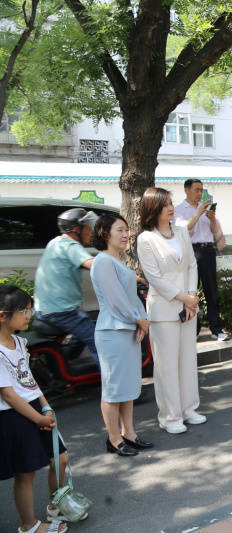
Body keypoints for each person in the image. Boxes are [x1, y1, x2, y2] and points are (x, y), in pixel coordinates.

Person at [1, 285, 70, 533]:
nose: (29, 316)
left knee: (60, 459)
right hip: (13, 415)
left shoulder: (20, 342)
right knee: (26, 471)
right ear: (2, 315)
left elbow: (28, 379)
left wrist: (46, 406)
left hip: (35, 408)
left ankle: (55, 505)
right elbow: (8, 394)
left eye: (30, 310)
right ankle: (28, 525)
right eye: (24, 311)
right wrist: (37, 418)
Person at [137, 187, 205, 434]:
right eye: (165, 204)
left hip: (187, 307)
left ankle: (189, 409)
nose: (170, 207)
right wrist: (184, 297)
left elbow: (191, 265)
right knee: (166, 365)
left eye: (170, 203)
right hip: (164, 309)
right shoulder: (146, 239)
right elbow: (154, 277)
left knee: (188, 359)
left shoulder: (180, 232)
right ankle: (170, 415)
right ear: (154, 208)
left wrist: (192, 297)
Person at [89, 214, 154, 457]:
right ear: (105, 233)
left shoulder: (117, 261)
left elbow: (131, 296)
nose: (126, 234)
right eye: (120, 230)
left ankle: (130, 433)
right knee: (113, 388)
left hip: (126, 330)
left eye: (127, 230)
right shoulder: (103, 261)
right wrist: (139, 320)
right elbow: (116, 300)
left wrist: (141, 320)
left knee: (127, 387)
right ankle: (114, 439)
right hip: (112, 331)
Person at [33, 208, 100, 364]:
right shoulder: (70, 246)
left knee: (84, 329)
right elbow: (93, 265)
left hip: (46, 310)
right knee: (100, 341)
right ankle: (116, 386)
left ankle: (64, 364)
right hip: (62, 312)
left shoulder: (56, 242)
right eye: (88, 228)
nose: (90, 231)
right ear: (76, 229)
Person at [174, 179, 229, 341]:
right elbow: (185, 228)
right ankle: (193, 329)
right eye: (197, 190)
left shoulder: (205, 210)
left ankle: (216, 328)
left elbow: (214, 230)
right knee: (191, 290)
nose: (200, 193)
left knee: (211, 290)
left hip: (208, 250)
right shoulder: (179, 210)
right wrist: (198, 213)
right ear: (186, 190)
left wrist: (211, 218)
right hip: (190, 250)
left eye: (201, 190)